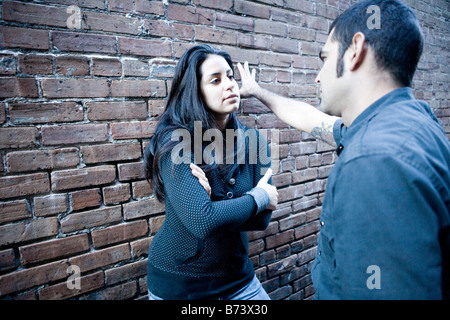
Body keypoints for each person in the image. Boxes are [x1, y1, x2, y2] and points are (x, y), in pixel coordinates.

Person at [236, 0, 450, 299]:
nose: (318, 76)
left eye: (324, 58)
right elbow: (311, 119)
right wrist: (257, 91)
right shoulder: (407, 120)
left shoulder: (373, 161)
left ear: (355, 50)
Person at [143, 44, 278, 300]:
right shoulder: (176, 142)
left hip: (239, 281)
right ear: (195, 91)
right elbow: (203, 222)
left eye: (230, 76)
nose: (229, 84)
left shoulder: (254, 141)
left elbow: (262, 220)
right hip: (181, 285)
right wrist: (257, 198)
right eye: (215, 80)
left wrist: (211, 205)